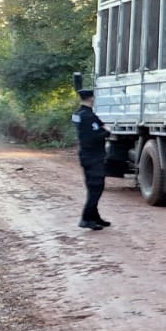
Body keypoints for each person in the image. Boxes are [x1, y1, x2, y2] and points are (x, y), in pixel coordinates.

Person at [72, 87, 112, 230]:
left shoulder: (78, 114)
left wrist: (101, 127)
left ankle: (95, 217)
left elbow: (93, 128)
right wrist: (107, 132)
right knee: (96, 187)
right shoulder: (88, 116)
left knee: (92, 188)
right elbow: (93, 136)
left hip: (86, 155)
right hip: (94, 157)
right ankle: (85, 219)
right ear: (92, 98)